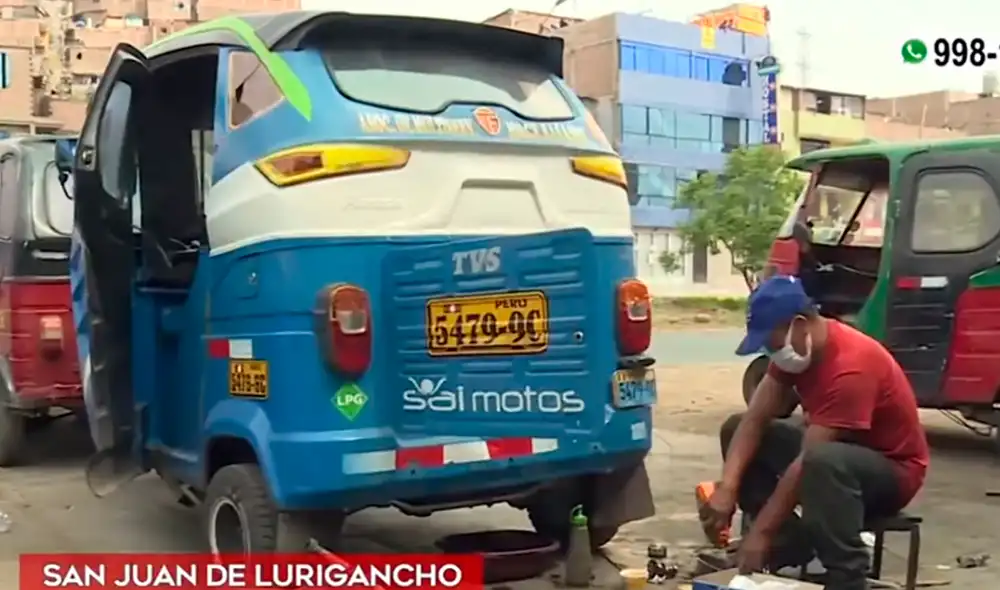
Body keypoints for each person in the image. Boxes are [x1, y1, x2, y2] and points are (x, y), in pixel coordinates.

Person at [701, 275, 929, 590]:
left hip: (892, 471)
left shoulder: (851, 366)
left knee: (823, 460)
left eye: (771, 341)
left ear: (799, 324)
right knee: (737, 426)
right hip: (836, 457)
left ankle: (847, 576)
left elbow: (807, 461)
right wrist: (727, 488)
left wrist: (761, 531)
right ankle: (789, 543)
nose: (771, 350)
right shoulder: (793, 350)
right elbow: (754, 419)